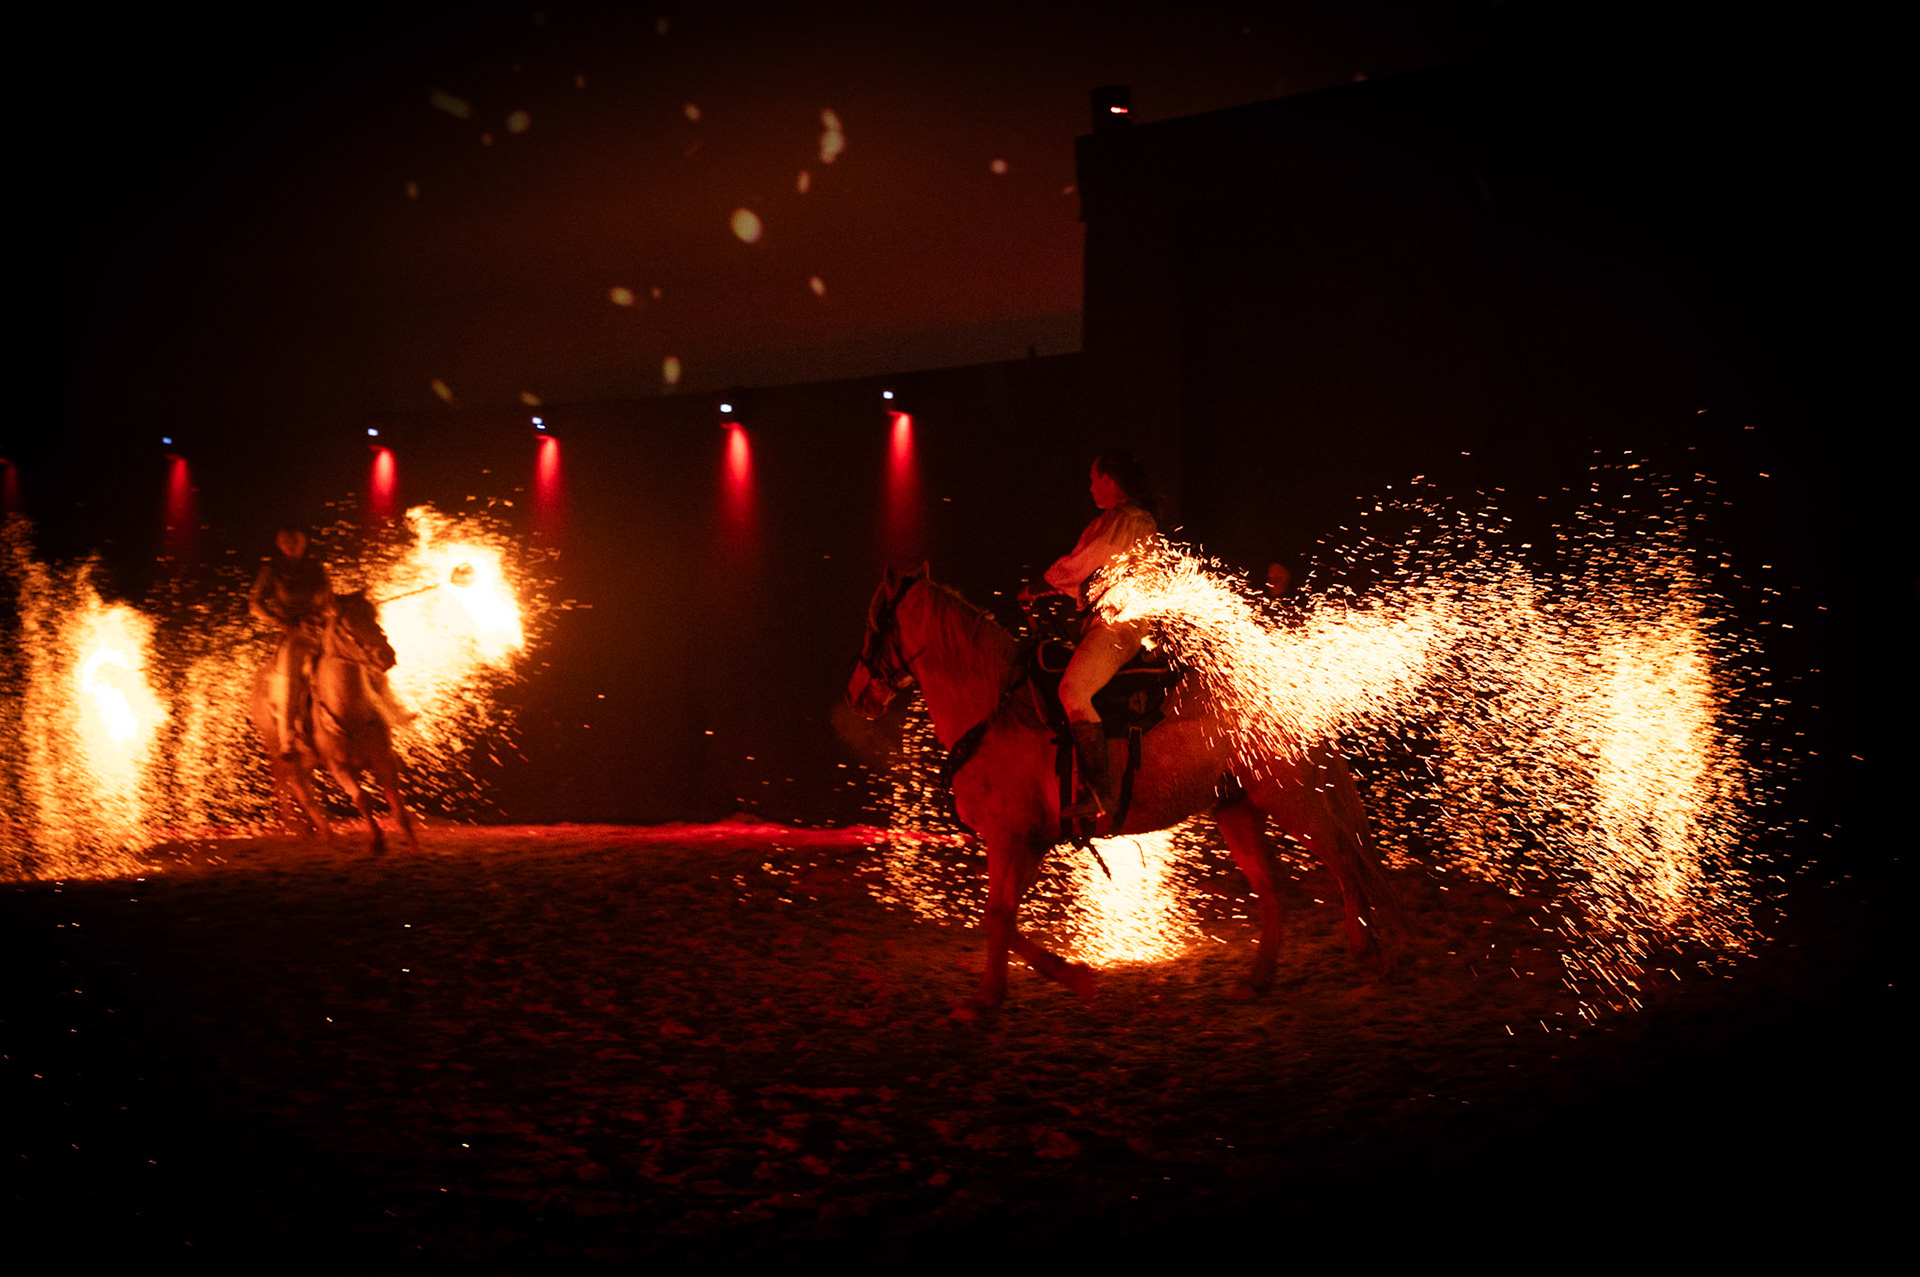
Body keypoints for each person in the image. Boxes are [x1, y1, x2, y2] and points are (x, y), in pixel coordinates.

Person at [1021, 449, 1160, 822]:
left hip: (1120, 623)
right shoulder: (1111, 521)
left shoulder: (1129, 520)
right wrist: (1047, 589)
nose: (1090, 486)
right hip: (1103, 621)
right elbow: (1083, 574)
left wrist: (1038, 587)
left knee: (1073, 690)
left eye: (1093, 479)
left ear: (1109, 481)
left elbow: (1085, 562)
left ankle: (1099, 791)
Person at [250, 525, 333, 760]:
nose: (293, 547)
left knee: (357, 653)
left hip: (321, 628)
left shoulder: (316, 568)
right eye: (288, 543)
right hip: (293, 634)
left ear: (303, 543)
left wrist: (327, 616)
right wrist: (280, 622)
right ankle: (287, 736)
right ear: (281, 546)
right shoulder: (272, 571)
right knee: (291, 675)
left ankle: (384, 714)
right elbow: (255, 605)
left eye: (296, 542)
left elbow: (329, 597)